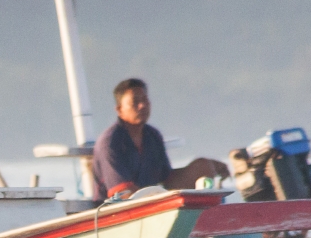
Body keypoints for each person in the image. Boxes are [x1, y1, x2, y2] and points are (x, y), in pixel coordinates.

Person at [92, 78, 228, 201]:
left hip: (150, 205)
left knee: (204, 167)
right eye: (135, 102)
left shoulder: (153, 135)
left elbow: (168, 179)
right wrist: (162, 199)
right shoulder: (110, 142)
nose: (142, 106)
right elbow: (123, 192)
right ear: (119, 110)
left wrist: (207, 167)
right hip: (113, 212)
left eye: (145, 100)